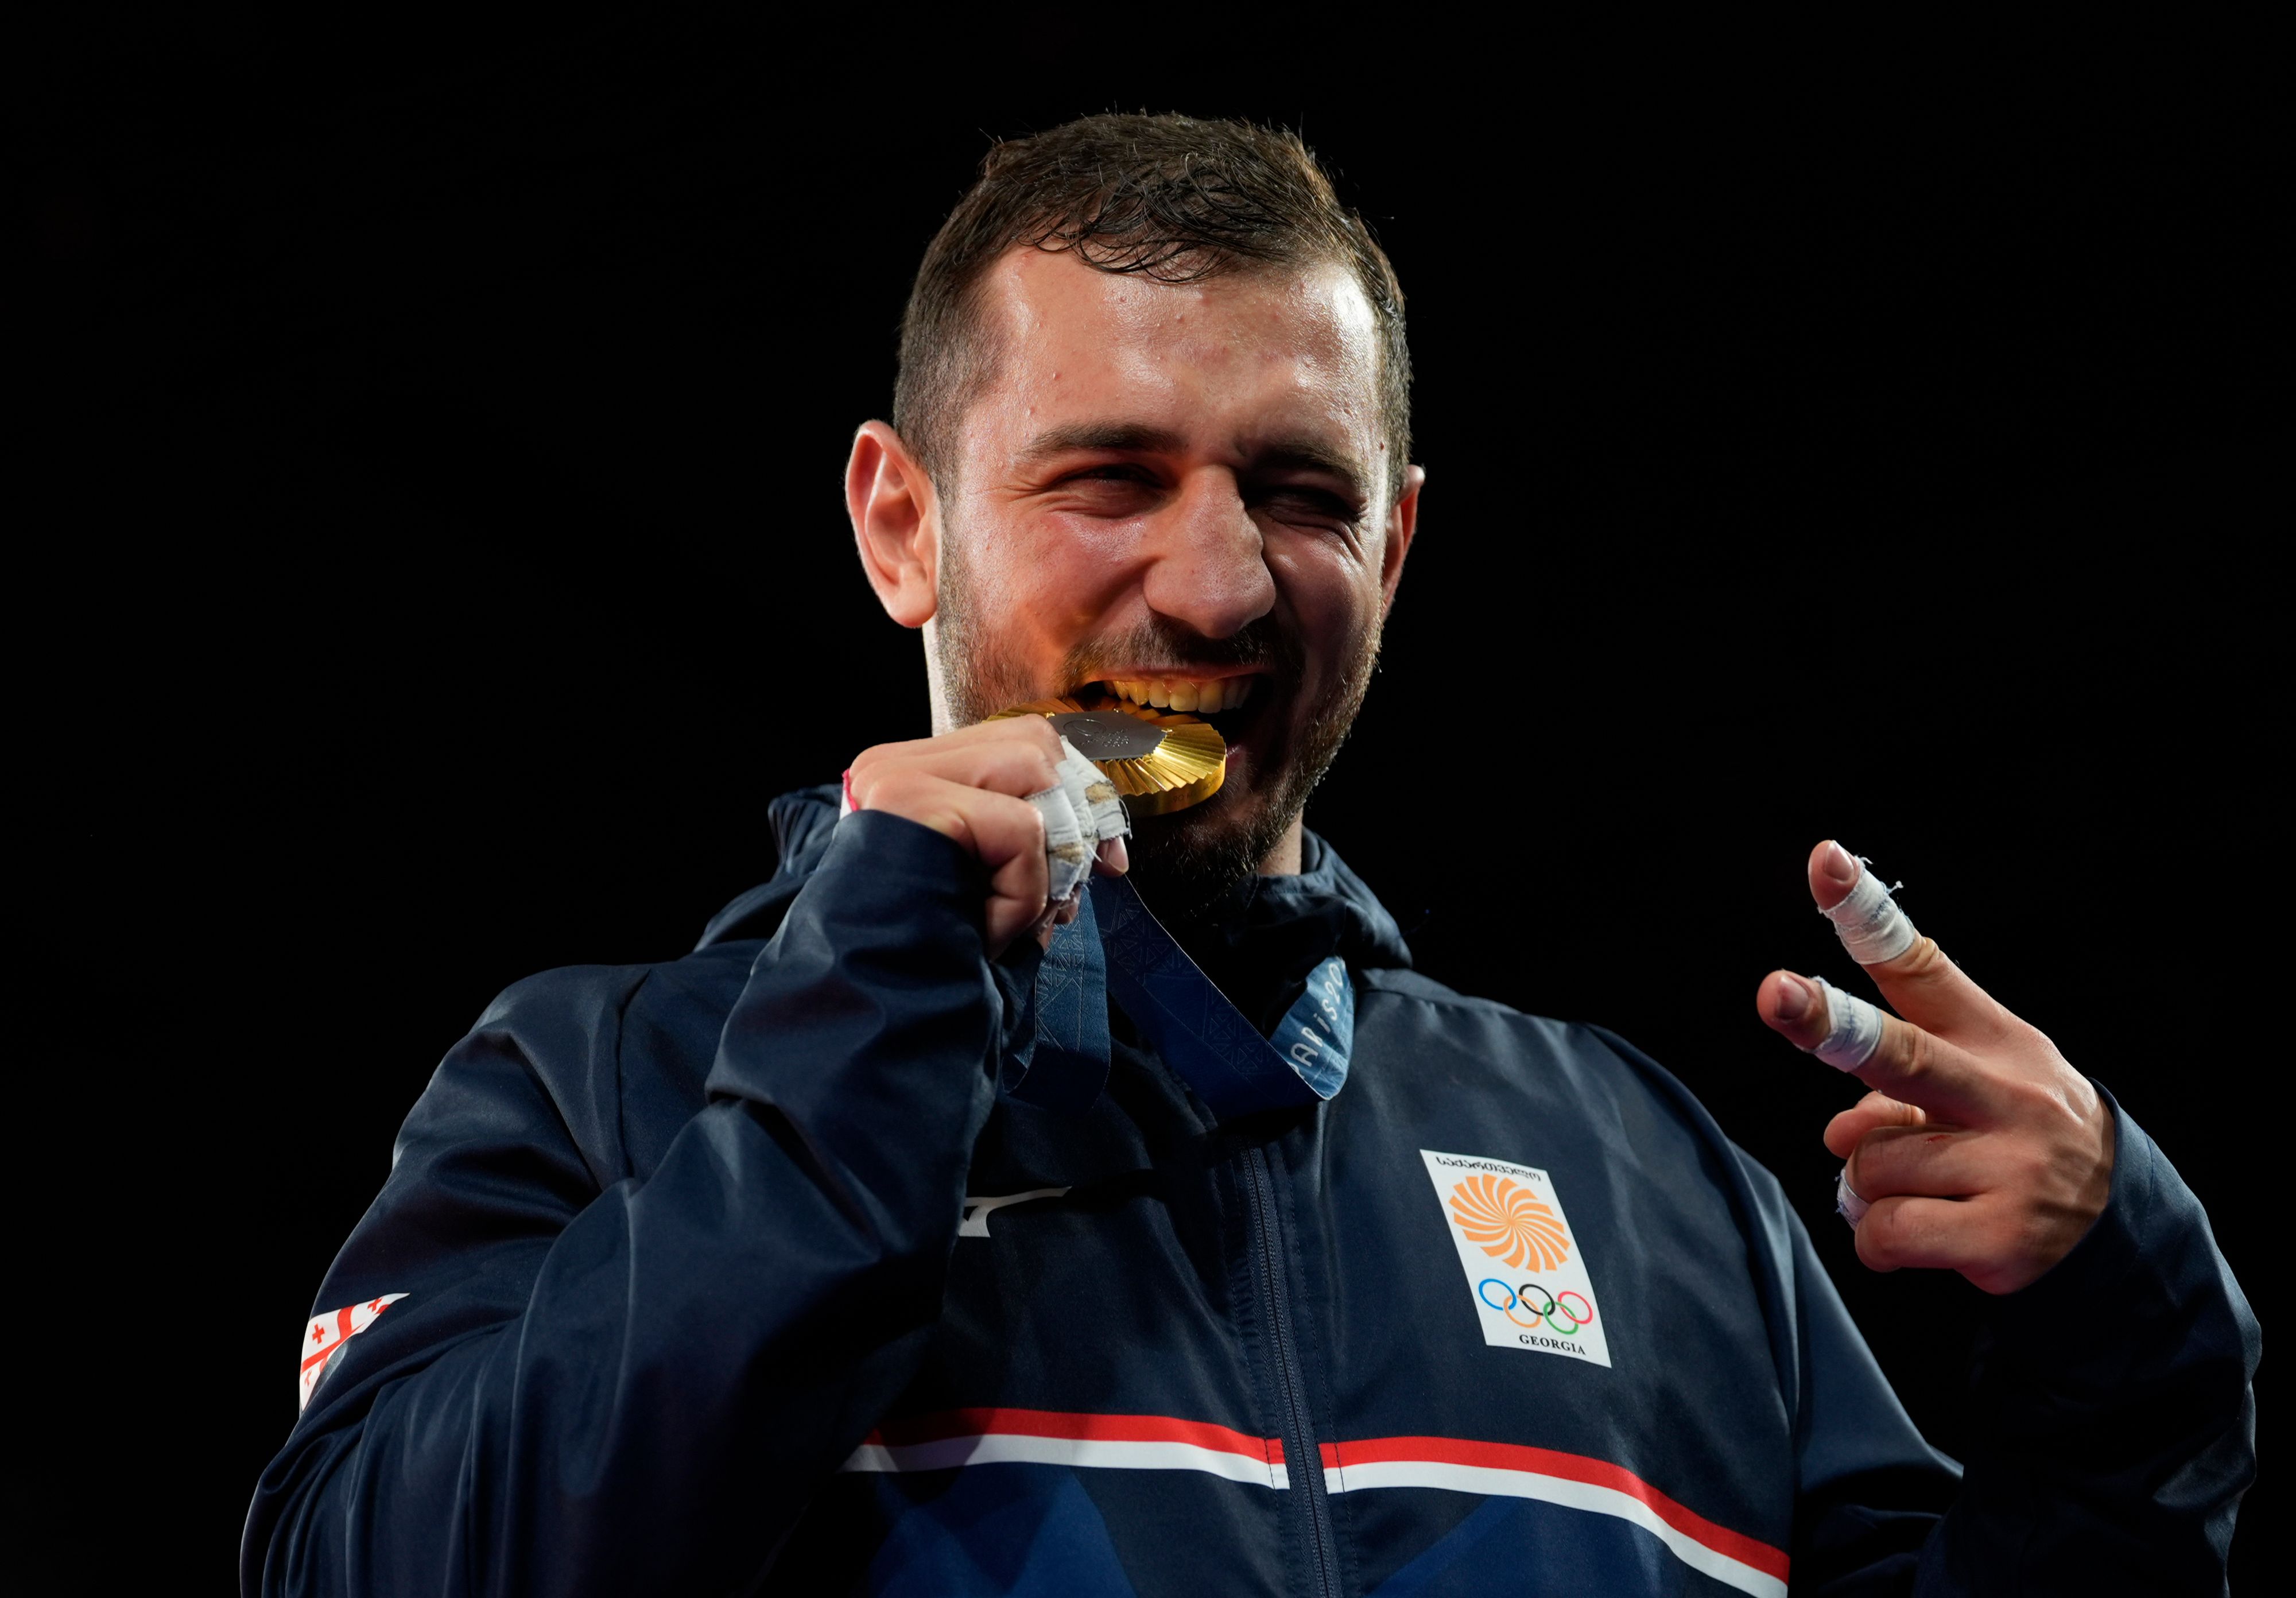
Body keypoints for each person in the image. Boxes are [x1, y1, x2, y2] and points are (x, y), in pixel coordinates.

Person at [243, 114, 2256, 1597]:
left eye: (1298, 494)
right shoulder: (603, 1086)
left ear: (1390, 548)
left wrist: (2123, 1345)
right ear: (899, 523)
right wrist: (844, 1066)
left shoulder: (1646, 1175)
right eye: (1108, 477)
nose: (1215, 588)